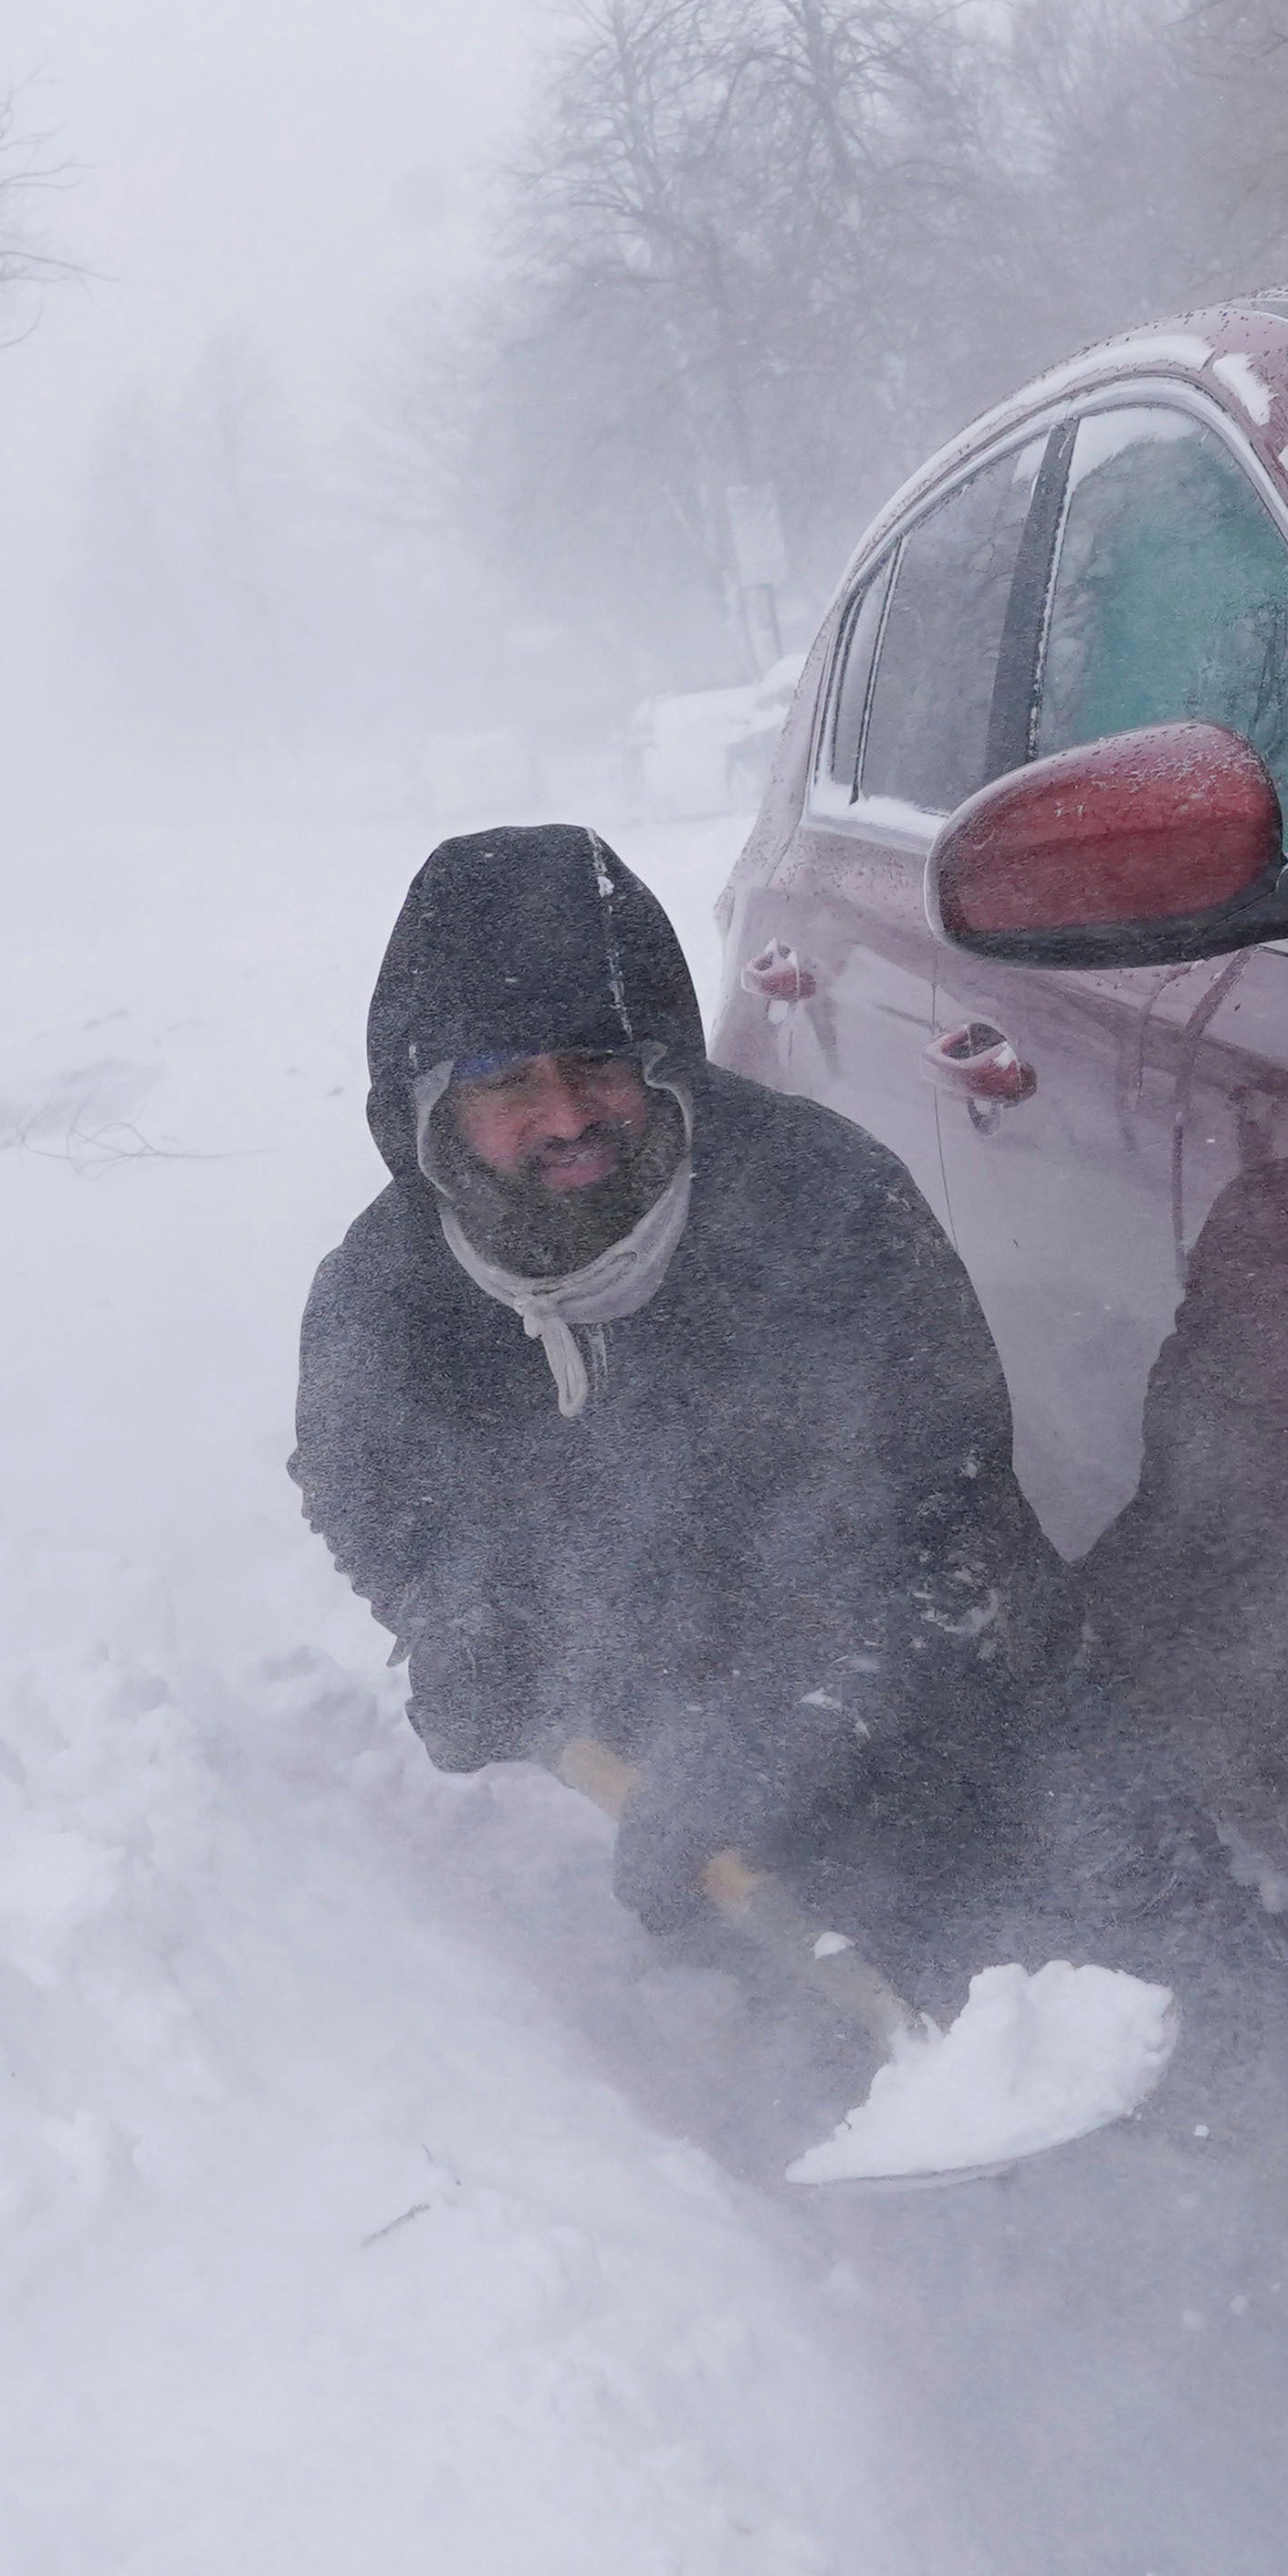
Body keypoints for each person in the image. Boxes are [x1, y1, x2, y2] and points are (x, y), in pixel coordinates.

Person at [289, 822, 1077, 2009]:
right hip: (639, 1694)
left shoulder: (822, 1207)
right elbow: (361, 1487)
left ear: (664, 1062)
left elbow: (943, 1518)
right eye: (507, 1080)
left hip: (901, 1690)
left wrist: (777, 1741)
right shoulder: (385, 1295)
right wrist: (455, 1616)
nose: (565, 1117)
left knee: (1021, 1885)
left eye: (598, 1063)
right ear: (433, 1111)